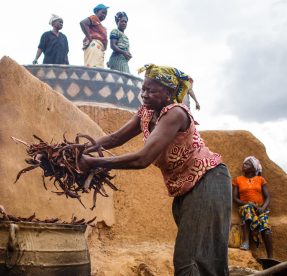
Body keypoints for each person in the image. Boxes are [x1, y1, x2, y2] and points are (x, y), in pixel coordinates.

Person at [78, 63, 232, 275]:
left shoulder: (175, 113)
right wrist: (78, 149)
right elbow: (115, 138)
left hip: (208, 180)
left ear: (169, 92)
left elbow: (142, 159)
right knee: (200, 256)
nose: (144, 94)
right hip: (185, 187)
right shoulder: (146, 113)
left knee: (190, 260)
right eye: (143, 89)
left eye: (151, 90)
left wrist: (92, 162)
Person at [232, 156, 273, 258]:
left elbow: (267, 197)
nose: (244, 165)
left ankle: (270, 257)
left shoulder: (260, 179)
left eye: (248, 164)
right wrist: (247, 204)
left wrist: (262, 208)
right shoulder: (237, 180)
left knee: (265, 224)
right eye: (244, 163)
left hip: (260, 208)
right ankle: (246, 242)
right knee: (247, 209)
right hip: (245, 206)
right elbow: (234, 198)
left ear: (254, 168)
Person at [80, 4, 109, 68]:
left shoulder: (99, 24)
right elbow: (83, 23)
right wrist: (90, 38)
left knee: (97, 70)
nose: (104, 15)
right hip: (95, 46)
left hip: (99, 49)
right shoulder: (94, 18)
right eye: (103, 13)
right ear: (96, 12)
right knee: (94, 69)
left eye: (106, 14)